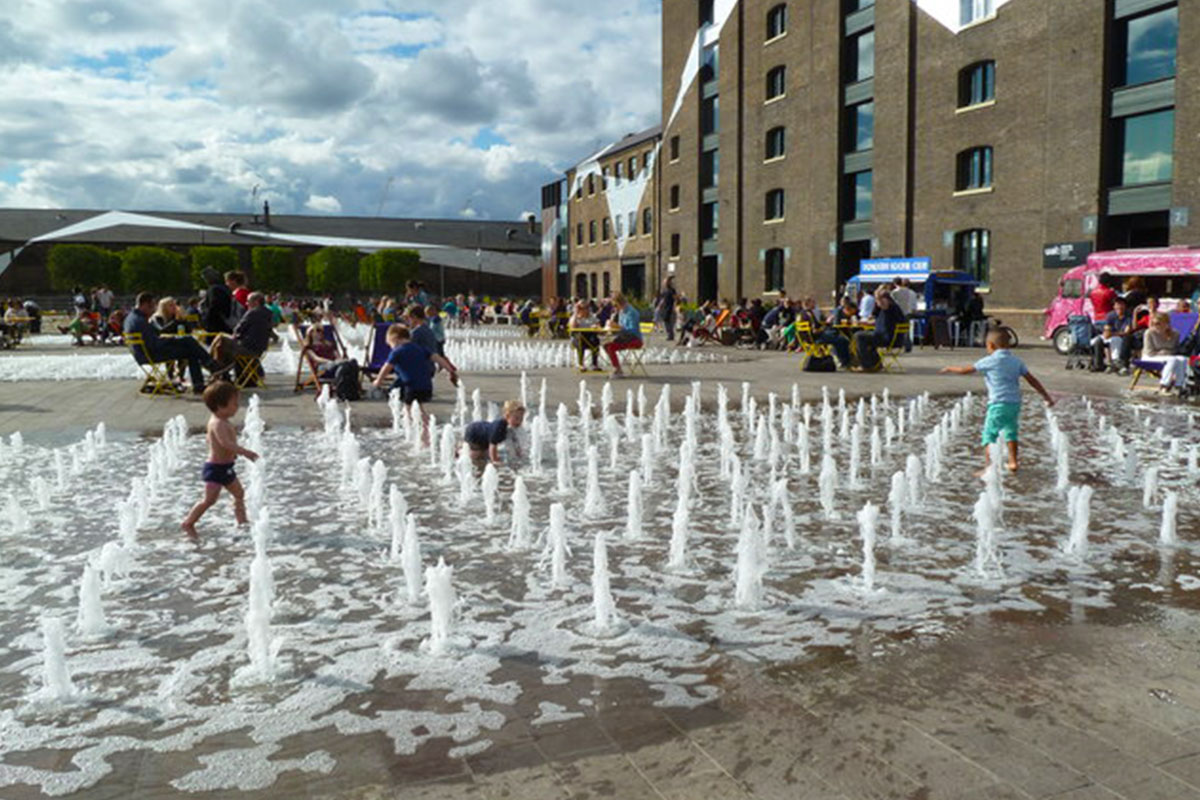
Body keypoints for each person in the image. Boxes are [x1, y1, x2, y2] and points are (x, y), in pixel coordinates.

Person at [940, 328, 1055, 474]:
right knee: (1011, 432)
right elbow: (1032, 380)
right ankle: (1013, 462)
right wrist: (1046, 396)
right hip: (1014, 403)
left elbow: (965, 370)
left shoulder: (989, 361)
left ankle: (989, 467)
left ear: (991, 345)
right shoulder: (1016, 361)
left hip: (997, 404)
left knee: (989, 434)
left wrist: (950, 368)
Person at [180, 381, 259, 537]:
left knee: (239, 494)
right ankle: (188, 522)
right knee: (209, 500)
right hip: (215, 469)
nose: (237, 407)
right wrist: (245, 452)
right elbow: (226, 443)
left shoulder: (222, 421)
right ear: (220, 406)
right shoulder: (218, 424)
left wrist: (232, 455)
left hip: (226, 467)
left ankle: (242, 522)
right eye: (234, 404)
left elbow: (218, 443)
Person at [125, 292, 229, 394]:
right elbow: (155, 343)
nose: (153, 310)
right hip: (151, 354)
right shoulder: (140, 321)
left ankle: (207, 371)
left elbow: (155, 337)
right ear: (144, 305)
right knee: (189, 344)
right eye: (151, 307)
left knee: (188, 343)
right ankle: (209, 369)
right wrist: (173, 340)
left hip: (142, 354)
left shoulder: (132, 319)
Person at [372, 324, 435, 407]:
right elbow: (437, 357)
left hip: (411, 386)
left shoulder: (397, 352)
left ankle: (413, 419)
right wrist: (450, 370)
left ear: (395, 339)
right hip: (426, 386)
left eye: (391, 344)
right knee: (417, 408)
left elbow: (386, 368)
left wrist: (378, 381)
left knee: (408, 409)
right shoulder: (418, 348)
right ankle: (424, 419)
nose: (391, 348)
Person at [212, 292, 273, 369]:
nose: (246, 304)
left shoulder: (252, 313)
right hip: (259, 350)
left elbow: (238, 329)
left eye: (248, 301)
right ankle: (219, 368)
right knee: (222, 345)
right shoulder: (269, 313)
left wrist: (235, 335)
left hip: (248, 348)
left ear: (256, 302)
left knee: (221, 338)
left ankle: (213, 366)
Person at [405, 306, 459, 387]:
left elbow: (408, 352)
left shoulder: (416, 333)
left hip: (419, 370)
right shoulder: (429, 330)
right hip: (430, 369)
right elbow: (434, 354)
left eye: (408, 318)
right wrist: (450, 371)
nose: (408, 321)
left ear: (414, 317)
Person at [852, 292, 905, 371]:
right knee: (865, 336)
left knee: (859, 336)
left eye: (878, 301)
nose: (876, 302)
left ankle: (866, 365)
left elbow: (885, 305)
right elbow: (878, 321)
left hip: (886, 338)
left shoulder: (890, 307)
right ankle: (875, 363)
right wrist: (864, 322)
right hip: (882, 336)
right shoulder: (888, 311)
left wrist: (878, 296)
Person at [463, 400, 526, 466]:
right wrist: (495, 461)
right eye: (516, 418)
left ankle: (460, 449)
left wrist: (519, 453)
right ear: (507, 416)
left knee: (484, 455)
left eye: (521, 419)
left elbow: (515, 440)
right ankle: (459, 453)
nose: (519, 422)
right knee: (476, 455)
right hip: (474, 433)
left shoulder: (510, 427)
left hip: (485, 435)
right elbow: (492, 446)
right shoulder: (499, 427)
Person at [603, 294, 643, 377]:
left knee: (610, 347)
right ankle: (617, 368)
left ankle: (618, 370)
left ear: (619, 303)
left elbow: (632, 330)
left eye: (615, 305)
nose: (614, 308)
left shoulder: (631, 312)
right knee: (606, 346)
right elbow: (621, 328)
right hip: (625, 338)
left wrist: (617, 326)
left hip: (634, 339)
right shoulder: (621, 312)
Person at [569, 299, 602, 371]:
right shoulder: (575, 317)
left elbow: (599, 326)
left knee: (595, 339)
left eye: (587, 307)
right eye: (581, 308)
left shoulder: (592, 316)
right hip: (578, 338)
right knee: (580, 339)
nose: (585, 310)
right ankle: (581, 364)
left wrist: (596, 326)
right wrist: (575, 313)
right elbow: (572, 327)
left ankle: (594, 364)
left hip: (590, 337)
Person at [201, 267, 235, 334]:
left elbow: (214, 307)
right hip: (226, 322)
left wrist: (206, 319)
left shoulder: (213, 289)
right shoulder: (224, 288)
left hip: (216, 325)